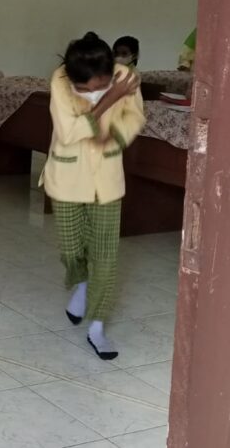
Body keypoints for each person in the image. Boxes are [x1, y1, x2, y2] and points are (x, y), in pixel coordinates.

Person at [41, 32, 145, 361]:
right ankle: (82, 284)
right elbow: (68, 131)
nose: (89, 93)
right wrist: (109, 98)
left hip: (107, 178)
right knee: (71, 249)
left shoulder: (125, 77)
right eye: (83, 90)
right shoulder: (60, 80)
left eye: (98, 86)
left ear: (109, 71)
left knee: (105, 255)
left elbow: (135, 116)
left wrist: (115, 137)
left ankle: (97, 327)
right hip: (67, 176)